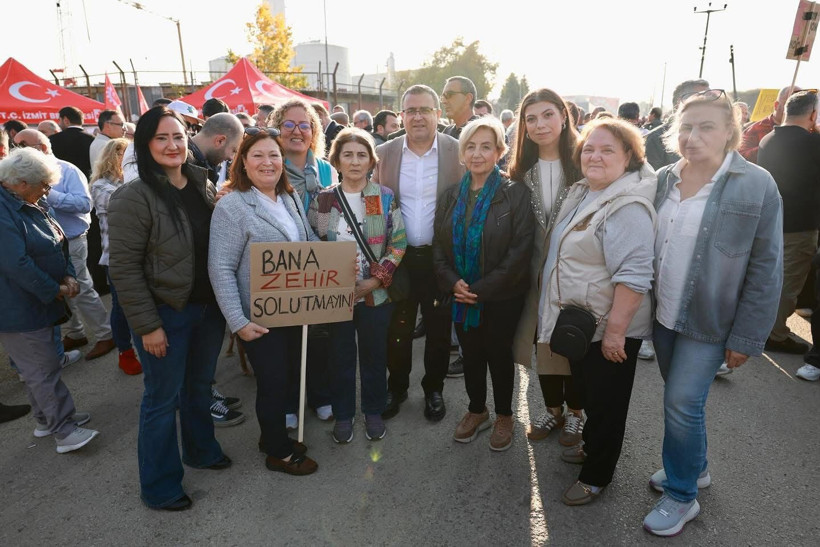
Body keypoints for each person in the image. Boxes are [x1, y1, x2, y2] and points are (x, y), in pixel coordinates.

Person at [643, 90, 783, 536]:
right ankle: (696, 467)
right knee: (686, 401)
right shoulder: (664, 177)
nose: (693, 136)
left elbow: (766, 266)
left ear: (729, 132)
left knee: (681, 403)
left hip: (711, 321)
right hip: (665, 314)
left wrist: (746, 337)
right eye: (685, 126)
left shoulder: (757, 184)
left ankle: (683, 496)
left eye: (706, 126)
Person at [108, 106, 232, 511]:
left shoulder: (202, 183)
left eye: (178, 136)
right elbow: (124, 270)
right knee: (161, 400)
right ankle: (160, 487)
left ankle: (201, 450)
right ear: (145, 145)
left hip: (206, 310)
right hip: (165, 315)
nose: (172, 145)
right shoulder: (133, 196)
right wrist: (147, 326)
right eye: (161, 138)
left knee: (198, 387)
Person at [540, 118, 656, 506]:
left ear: (628, 157)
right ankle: (592, 449)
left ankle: (597, 475)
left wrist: (615, 333)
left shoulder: (627, 207)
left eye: (608, 150)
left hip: (608, 327)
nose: (595, 156)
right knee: (590, 396)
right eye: (589, 148)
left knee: (607, 406)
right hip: (583, 323)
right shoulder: (586, 192)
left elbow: (635, 276)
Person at [209, 127, 319, 476]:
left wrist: (336, 259)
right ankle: (278, 452)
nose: (267, 162)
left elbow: (306, 241)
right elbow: (221, 268)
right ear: (242, 161)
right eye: (258, 155)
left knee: (287, 379)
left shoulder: (288, 198)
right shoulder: (232, 205)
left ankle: (271, 437)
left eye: (274, 155)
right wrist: (238, 323)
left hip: (295, 310)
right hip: (259, 317)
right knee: (272, 383)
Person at [433, 117, 534, 450]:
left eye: (486, 146)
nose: (477, 154)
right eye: (471, 147)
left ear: (499, 151)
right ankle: (478, 410)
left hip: (501, 296)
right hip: (460, 293)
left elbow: (520, 251)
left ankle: (505, 415)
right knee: (471, 355)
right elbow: (438, 247)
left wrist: (480, 289)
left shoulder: (515, 193)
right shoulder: (450, 196)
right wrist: (452, 283)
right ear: (462, 152)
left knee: (498, 355)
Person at [372, 84, 465, 421]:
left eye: (425, 110)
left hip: (441, 260)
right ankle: (396, 388)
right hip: (399, 259)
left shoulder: (457, 151)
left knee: (439, 330)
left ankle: (434, 389)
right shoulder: (385, 153)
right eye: (411, 110)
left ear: (438, 115)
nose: (418, 116)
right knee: (397, 329)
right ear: (402, 116)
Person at [308, 128, 407, 443]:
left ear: (371, 161)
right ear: (336, 160)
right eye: (347, 155)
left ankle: (373, 410)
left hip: (376, 294)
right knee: (339, 356)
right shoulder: (323, 200)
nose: (354, 161)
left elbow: (398, 243)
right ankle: (344, 414)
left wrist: (375, 280)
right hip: (336, 296)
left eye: (361, 155)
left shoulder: (384, 196)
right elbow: (315, 241)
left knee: (375, 355)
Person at [0, 148, 99, 453]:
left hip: (34, 302)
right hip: (19, 306)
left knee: (39, 367)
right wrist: (54, 287)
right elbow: (16, 264)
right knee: (42, 369)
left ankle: (47, 419)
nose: (48, 191)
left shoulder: (27, 201)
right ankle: (63, 429)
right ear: (19, 183)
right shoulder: (6, 211)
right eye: (43, 185)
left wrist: (67, 275)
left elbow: (58, 242)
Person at [510, 89, 586, 449]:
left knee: (573, 342)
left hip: (575, 274)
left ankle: (576, 413)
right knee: (541, 344)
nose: (539, 125)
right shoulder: (521, 171)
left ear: (564, 116)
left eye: (547, 115)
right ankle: (553, 410)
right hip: (533, 276)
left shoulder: (586, 161)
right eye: (530, 118)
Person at [14, 129, 115, 360]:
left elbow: (84, 204)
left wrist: (48, 195)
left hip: (71, 241)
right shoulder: (25, 177)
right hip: (45, 245)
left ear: (40, 148)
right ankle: (77, 332)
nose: (16, 151)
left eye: (21, 146)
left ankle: (106, 335)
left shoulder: (67, 170)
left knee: (81, 289)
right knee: (60, 293)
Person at [270, 99, 339, 426]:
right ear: (278, 128)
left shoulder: (325, 169)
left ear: (314, 132)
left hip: (320, 259)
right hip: (281, 263)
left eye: (304, 125)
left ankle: (321, 395)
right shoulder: (268, 164)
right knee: (285, 341)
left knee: (319, 336)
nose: (297, 131)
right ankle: (288, 403)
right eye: (289, 124)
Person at [758, 90, 820, 356]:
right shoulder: (813, 143)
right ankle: (775, 334)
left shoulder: (768, 139)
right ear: (813, 114)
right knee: (788, 283)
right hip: (800, 225)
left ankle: (760, 328)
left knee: (765, 279)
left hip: (770, 222)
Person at [89, 137, 142, 375]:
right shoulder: (101, 186)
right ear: (115, 156)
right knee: (122, 308)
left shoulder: (131, 181)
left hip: (140, 254)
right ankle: (125, 352)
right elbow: (124, 206)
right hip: (116, 257)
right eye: (127, 155)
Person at [644, 79, 710, 170]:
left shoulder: (713, 134)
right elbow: (654, 180)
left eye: (711, 97)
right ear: (681, 102)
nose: (711, 103)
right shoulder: (656, 137)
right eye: (703, 98)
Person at [739, 86, 799, 164]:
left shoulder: (808, 128)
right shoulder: (757, 129)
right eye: (790, 105)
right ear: (777, 105)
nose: (797, 110)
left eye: (801, 106)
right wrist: (770, 146)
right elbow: (741, 157)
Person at [49, 106, 94, 178]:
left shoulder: (53, 139)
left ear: (66, 120)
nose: (59, 124)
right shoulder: (91, 139)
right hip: (86, 180)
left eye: (59, 120)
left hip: (60, 180)